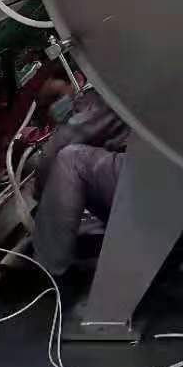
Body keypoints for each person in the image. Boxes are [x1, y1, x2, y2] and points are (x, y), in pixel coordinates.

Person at [30, 76, 131, 277]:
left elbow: (66, 140)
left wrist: (41, 193)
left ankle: (47, 272)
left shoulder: (115, 86)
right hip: (181, 177)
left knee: (71, 159)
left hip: (152, 187)